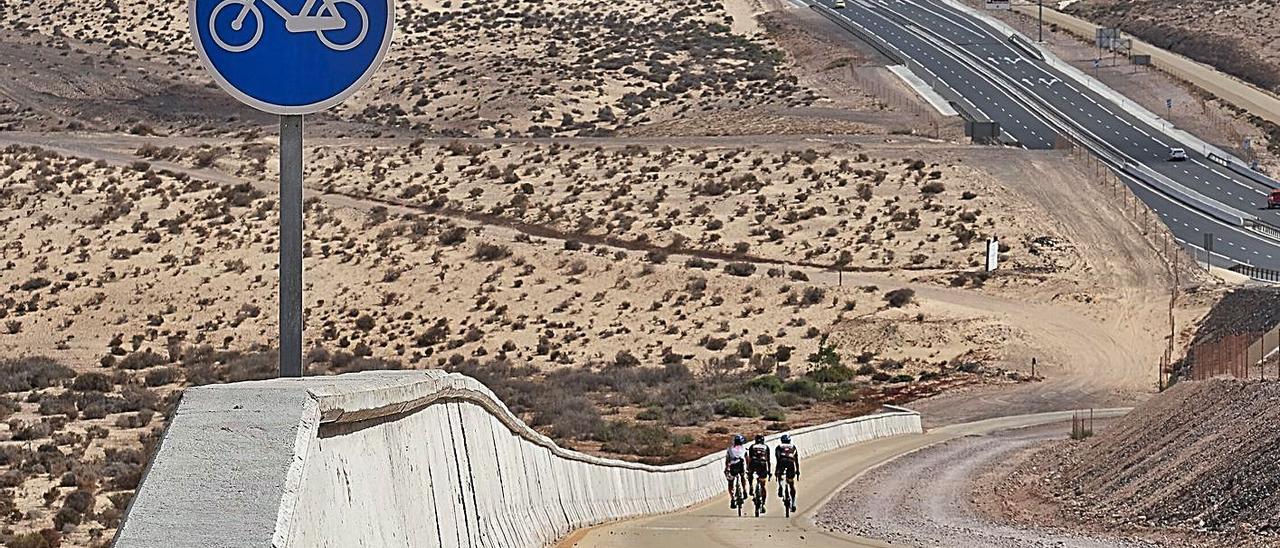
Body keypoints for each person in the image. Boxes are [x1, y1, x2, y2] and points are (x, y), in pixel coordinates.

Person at [774, 434, 800, 512]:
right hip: (791, 463)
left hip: (782, 462)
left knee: (780, 475)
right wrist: (798, 470)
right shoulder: (793, 447)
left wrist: (776, 471)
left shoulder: (779, 447)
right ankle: (794, 503)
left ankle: (780, 486)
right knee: (791, 484)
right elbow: (796, 459)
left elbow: (778, 459)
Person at [746, 434, 771, 512]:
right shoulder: (766, 447)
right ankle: (763, 504)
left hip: (753, 463)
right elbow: (768, 460)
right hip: (763, 464)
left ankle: (750, 486)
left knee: (750, 474)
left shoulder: (752, 447)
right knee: (763, 485)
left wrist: (748, 469)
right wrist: (769, 471)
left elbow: (749, 459)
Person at [724, 434, 748, 509]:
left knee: (730, 482)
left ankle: (732, 498)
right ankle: (744, 490)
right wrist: (748, 467)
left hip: (732, 466)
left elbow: (727, 460)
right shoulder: (743, 449)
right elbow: (747, 458)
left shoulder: (730, 449)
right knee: (742, 476)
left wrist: (726, 468)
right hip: (740, 465)